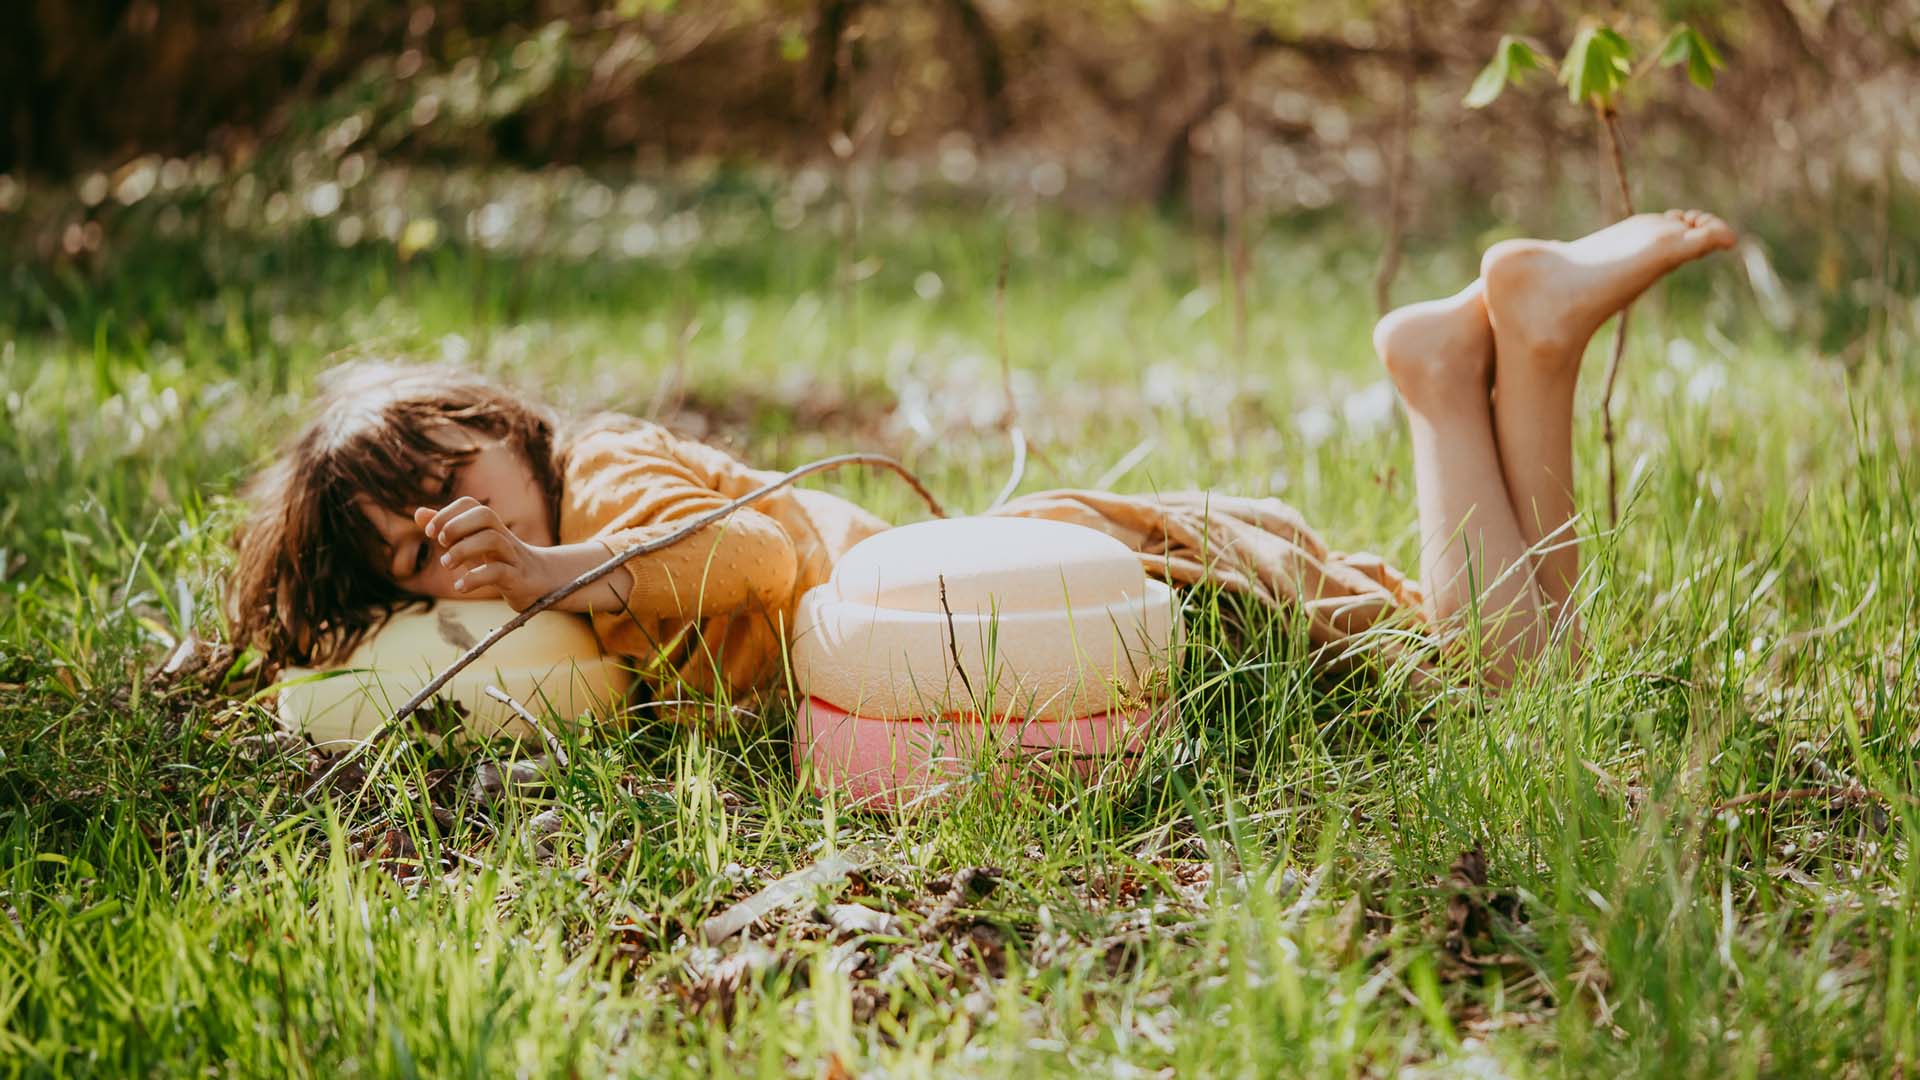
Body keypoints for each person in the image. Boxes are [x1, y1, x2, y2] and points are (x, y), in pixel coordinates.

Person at [224, 210, 1734, 704]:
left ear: (508, 430)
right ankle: (1501, 354)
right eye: (416, 556)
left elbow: (760, 558)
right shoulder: (524, 605)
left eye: (454, 489)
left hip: (1060, 590)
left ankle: (1468, 372)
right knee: (1490, 655)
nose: (458, 544)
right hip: (1026, 617)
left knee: (1492, 676)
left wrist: (556, 564)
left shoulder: (605, 485)